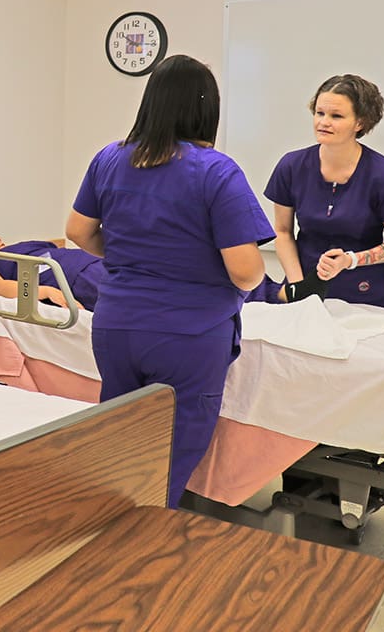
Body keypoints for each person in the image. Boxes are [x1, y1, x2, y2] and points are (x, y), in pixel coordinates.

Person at [65, 54, 274, 509]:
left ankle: (105, 532)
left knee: (121, 445)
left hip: (116, 326)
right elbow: (245, 270)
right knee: (168, 463)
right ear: (206, 109)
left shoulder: (110, 158)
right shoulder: (216, 170)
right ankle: (141, 544)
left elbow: (78, 232)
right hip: (187, 335)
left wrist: (129, 256)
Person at [265, 74, 384, 308]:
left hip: (364, 296)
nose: (323, 122)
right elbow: (283, 231)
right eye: (319, 113)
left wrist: (350, 260)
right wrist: (299, 287)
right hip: (303, 289)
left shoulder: (383, 175)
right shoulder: (291, 166)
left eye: (336, 116)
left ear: (360, 123)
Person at [0, 229, 107, 310]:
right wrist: (46, 291)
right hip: (80, 277)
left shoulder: (14, 250)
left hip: (100, 262)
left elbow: (58, 246)